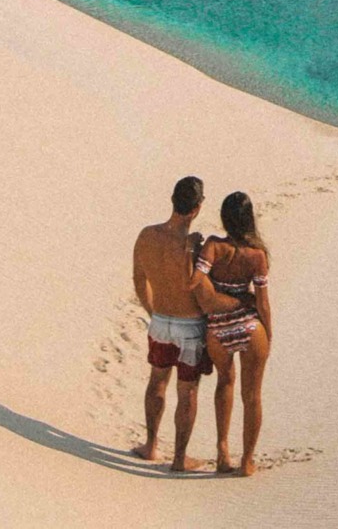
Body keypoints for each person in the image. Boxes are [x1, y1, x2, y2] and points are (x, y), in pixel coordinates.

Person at [131, 175, 212, 472]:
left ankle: (150, 445)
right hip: (189, 327)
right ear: (198, 208)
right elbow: (203, 291)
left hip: (161, 321)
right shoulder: (195, 245)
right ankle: (179, 458)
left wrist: (153, 311)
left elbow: (139, 280)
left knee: (157, 381)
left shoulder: (147, 236)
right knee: (187, 390)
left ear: (172, 201)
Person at [193, 191, 273, 477]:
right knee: (252, 395)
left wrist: (213, 298)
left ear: (225, 218)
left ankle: (222, 451)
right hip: (250, 327)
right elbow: (262, 302)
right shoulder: (257, 255)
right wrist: (269, 333)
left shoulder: (214, 247)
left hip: (218, 327)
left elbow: (197, 279)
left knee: (224, 383)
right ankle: (248, 460)